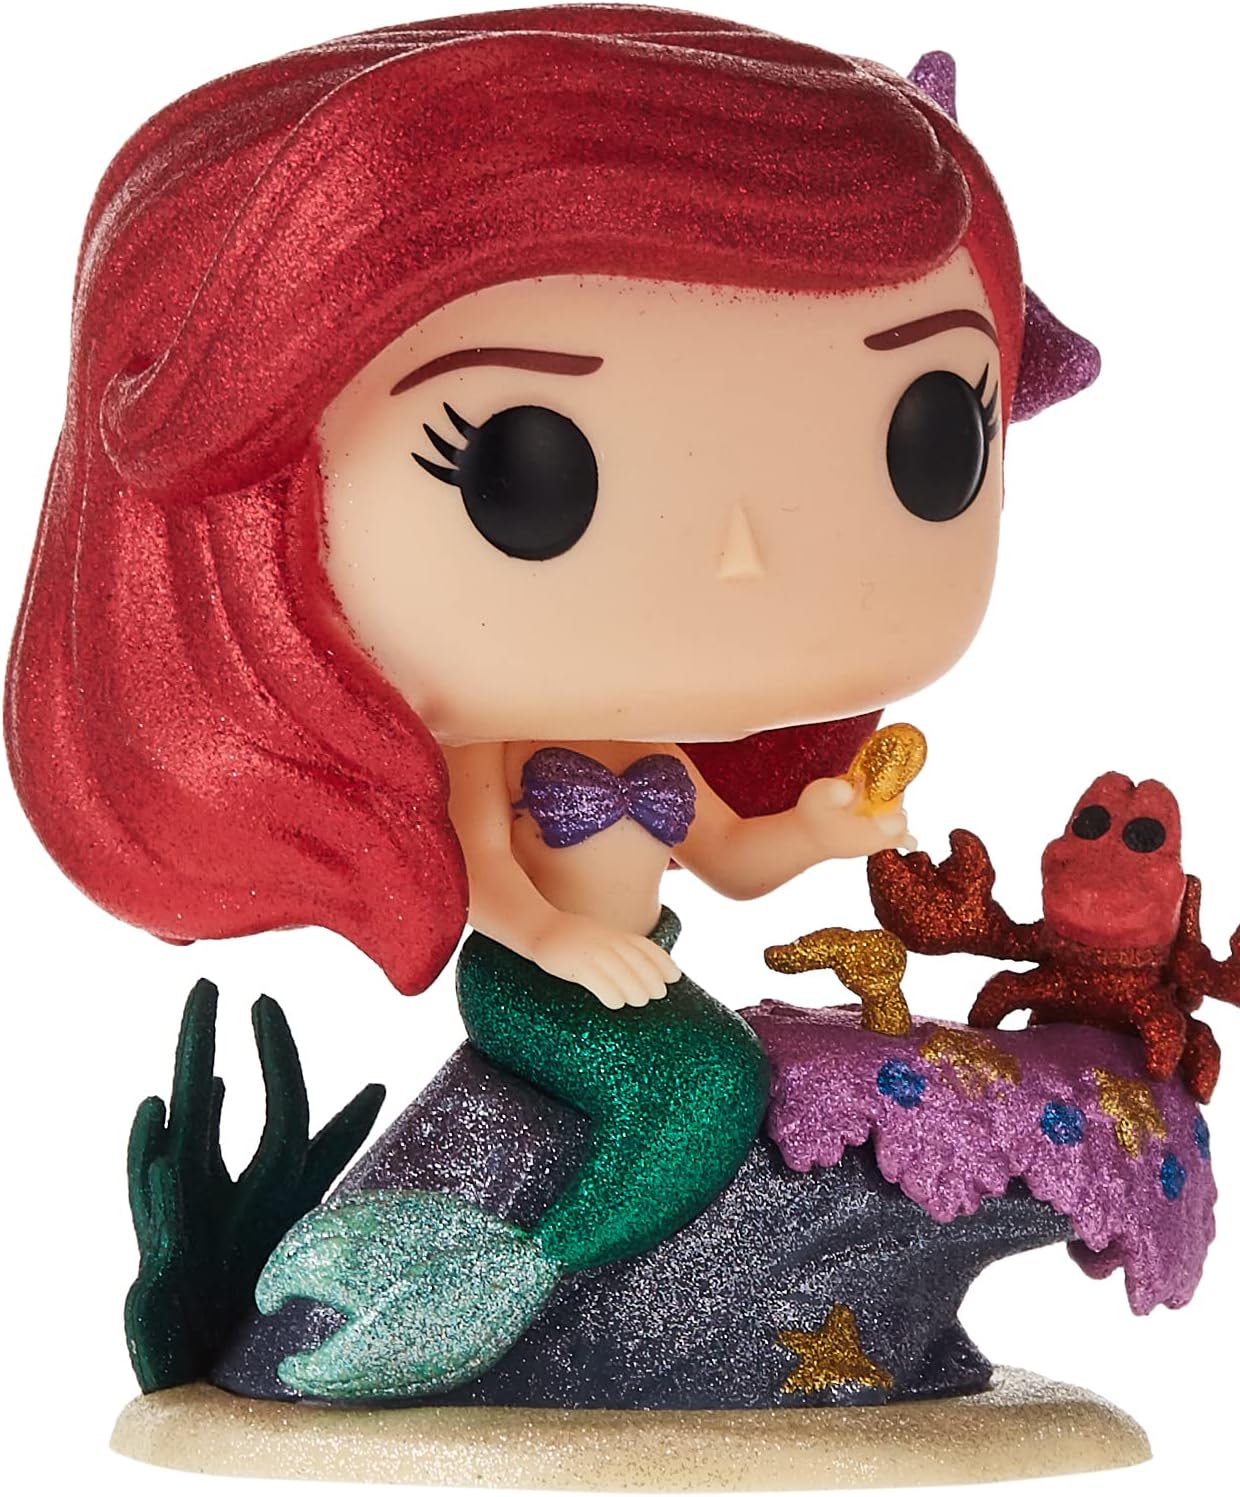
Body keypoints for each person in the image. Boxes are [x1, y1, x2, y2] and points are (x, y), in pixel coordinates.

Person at [4, 7, 1096, 1399]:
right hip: (533, 978)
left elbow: (729, 855)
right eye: (524, 466)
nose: (740, 555)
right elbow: (493, 880)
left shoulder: (657, 754)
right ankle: (542, 1268)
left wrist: (825, 827)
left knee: (726, 1068)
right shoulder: (505, 761)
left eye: (931, 434)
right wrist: (560, 946)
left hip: (633, 960)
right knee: (700, 1087)